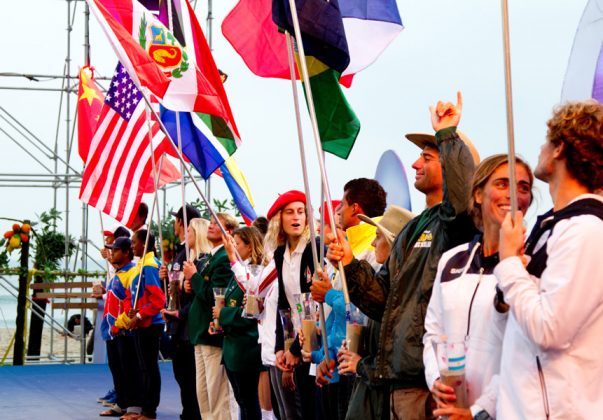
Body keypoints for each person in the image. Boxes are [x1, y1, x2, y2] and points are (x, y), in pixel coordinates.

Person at [327, 92, 478, 419]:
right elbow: (382, 301)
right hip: (392, 377)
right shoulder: (411, 228)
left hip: (428, 379)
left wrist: (448, 135)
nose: (414, 163)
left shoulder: (455, 226)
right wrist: (350, 263)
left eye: (426, 156)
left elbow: (463, 204)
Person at [494, 100, 603, 418]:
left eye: (546, 140)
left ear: (559, 149)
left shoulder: (586, 230)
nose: (540, 148)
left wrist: (509, 263)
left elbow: (549, 330)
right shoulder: (554, 226)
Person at [422, 154, 534, 419]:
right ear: (479, 195)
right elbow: (433, 332)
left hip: (501, 411)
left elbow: (524, 354)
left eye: (523, 187)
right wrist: (437, 380)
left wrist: (479, 411)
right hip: (449, 408)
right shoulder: (452, 260)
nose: (513, 195)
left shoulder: (531, 264)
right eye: (502, 184)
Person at [338, 205, 413, 420]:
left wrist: (360, 364)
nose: (372, 243)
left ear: (393, 243)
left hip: (382, 402)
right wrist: (358, 347)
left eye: (377, 236)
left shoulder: (403, 286)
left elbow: (399, 357)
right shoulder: (387, 278)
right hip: (371, 397)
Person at [266, 190, 318, 420]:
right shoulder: (280, 253)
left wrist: (294, 349)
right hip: (296, 339)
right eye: (290, 212)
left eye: (300, 211)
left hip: (316, 341)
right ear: (280, 219)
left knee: (315, 409)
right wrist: (280, 347)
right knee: (300, 408)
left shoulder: (314, 249)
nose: (296, 217)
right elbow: (284, 304)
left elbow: (313, 305)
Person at [183, 212, 238, 420]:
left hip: (211, 333)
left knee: (217, 393)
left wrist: (194, 278)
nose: (211, 225)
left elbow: (215, 295)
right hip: (200, 333)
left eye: (218, 224)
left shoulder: (223, 259)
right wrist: (192, 283)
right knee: (204, 393)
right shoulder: (213, 257)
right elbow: (203, 290)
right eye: (212, 222)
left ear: (229, 231)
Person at [217, 226, 265, 420]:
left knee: (248, 401)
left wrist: (223, 314)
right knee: (242, 401)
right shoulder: (238, 270)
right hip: (233, 347)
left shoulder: (255, 273)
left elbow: (250, 311)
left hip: (246, 346)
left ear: (249, 245)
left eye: (237, 244)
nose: (233, 247)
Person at [159, 204, 202, 420]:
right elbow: (175, 288)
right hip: (178, 322)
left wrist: (180, 313)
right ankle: (189, 412)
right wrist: (166, 276)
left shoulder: (194, 255)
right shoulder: (181, 252)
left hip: (187, 325)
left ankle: (191, 414)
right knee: (182, 376)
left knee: (189, 377)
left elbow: (197, 294)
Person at [124, 230, 166, 420]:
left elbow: (158, 300)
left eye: (134, 242)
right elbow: (141, 296)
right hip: (142, 323)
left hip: (150, 324)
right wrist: (135, 312)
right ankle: (144, 409)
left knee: (149, 369)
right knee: (144, 368)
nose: (132, 245)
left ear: (144, 244)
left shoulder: (150, 266)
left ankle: (150, 411)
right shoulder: (142, 264)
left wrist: (139, 315)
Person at [97, 237, 139, 418]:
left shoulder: (132, 273)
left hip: (123, 330)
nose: (111, 253)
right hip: (112, 331)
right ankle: (121, 403)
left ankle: (133, 406)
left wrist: (119, 325)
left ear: (126, 252)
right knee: (116, 368)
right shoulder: (118, 273)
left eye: (115, 250)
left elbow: (131, 304)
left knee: (128, 369)